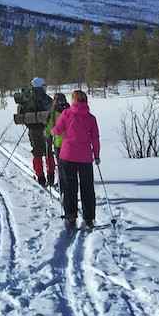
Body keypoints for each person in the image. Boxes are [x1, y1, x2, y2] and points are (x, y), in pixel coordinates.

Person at [52, 89, 100, 229]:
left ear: (73, 100)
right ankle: (89, 218)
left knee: (69, 187)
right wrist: (96, 155)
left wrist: (52, 132)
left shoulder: (66, 114)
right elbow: (95, 139)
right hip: (85, 158)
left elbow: (58, 130)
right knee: (87, 188)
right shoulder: (91, 118)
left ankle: (71, 216)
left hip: (67, 156)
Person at [12, 77, 53, 188]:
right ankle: (51, 176)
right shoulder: (46, 98)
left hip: (33, 130)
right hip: (46, 129)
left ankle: (40, 177)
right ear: (41, 86)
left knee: (37, 153)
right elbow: (52, 112)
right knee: (48, 152)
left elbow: (20, 112)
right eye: (44, 86)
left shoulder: (26, 99)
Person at [44, 91, 70, 189]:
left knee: (61, 165)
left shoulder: (53, 113)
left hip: (59, 144)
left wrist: (47, 136)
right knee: (69, 166)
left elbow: (49, 127)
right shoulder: (70, 111)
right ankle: (67, 184)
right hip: (70, 143)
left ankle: (62, 185)